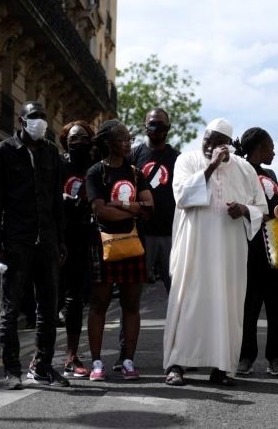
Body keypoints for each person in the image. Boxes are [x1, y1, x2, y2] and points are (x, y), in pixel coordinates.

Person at [163, 118, 268, 387]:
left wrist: (244, 209)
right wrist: (210, 166)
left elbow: (262, 208)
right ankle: (176, 364)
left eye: (217, 142)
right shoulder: (187, 160)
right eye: (206, 140)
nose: (209, 146)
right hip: (193, 248)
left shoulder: (244, 168)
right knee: (188, 302)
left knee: (227, 305)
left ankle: (222, 367)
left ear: (229, 144)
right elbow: (182, 197)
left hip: (229, 252)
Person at [0, 101, 69, 390]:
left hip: (47, 240)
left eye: (43, 117)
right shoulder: (2, 151)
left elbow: (56, 200)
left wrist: (61, 239)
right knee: (10, 309)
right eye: (34, 117)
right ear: (21, 121)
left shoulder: (51, 153)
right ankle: (11, 371)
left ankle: (43, 366)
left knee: (49, 308)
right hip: (15, 242)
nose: (40, 121)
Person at [85, 120, 153, 381]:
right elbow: (100, 211)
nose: (127, 143)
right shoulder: (95, 172)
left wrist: (119, 205)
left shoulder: (136, 173)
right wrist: (133, 208)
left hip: (133, 244)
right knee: (99, 304)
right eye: (122, 139)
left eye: (129, 139)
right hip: (103, 244)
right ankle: (97, 363)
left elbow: (149, 207)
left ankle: (128, 361)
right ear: (108, 142)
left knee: (131, 305)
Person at [234, 127, 278, 378]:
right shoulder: (240, 171)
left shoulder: (271, 174)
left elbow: (273, 207)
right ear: (259, 147)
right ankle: (245, 357)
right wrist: (265, 216)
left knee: (277, 306)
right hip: (251, 247)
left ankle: (276, 359)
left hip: (276, 245)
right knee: (249, 306)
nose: (274, 152)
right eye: (271, 147)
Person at [58, 120, 99, 379]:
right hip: (58, 237)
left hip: (84, 237)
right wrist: (61, 198)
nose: (79, 142)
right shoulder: (58, 164)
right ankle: (39, 357)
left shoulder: (95, 166)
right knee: (50, 298)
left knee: (75, 300)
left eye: (84, 137)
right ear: (65, 141)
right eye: (74, 138)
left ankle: (71, 356)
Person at [130, 108, 180, 292]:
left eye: (161, 124)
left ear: (169, 127)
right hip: (140, 234)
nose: (156, 128)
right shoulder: (132, 156)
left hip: (171, 234)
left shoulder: (178, 159)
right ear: (144, 126)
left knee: (177, 293)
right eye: (152, 123)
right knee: (133, 294)